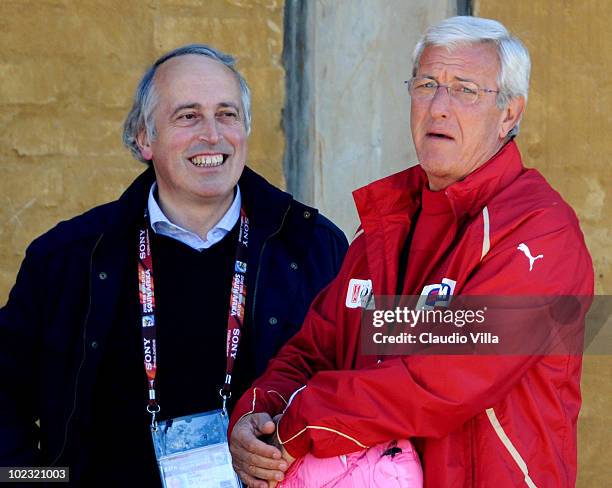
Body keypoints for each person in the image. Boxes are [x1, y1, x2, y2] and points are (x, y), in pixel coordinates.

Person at [229, 16, 594, 488]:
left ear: (509, 113)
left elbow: (436, 381)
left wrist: (296, 427)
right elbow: (316, 347)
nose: (439, 107)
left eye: (465, 89)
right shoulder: (389, 222)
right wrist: (258, 415)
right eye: (426, 84)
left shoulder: (540, 232)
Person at [0, 44, 348, 486]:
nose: (212, 135)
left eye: (227, 114)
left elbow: (365, 379)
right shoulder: (66, 258)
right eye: (188, 116)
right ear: (145, 139)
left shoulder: (314, 248)